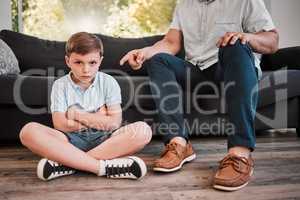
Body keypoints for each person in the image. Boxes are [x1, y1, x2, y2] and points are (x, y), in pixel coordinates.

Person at [120, 0, 279, 191]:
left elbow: (272, 41)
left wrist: (247, 37)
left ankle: (240, 153)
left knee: (235, 44)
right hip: (197, 70)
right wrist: (145, 52)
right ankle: (178, 143)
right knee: (159, 60)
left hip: (231, 66)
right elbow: (171, 43)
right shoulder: (184, 5)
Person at [19, 32, 152, 181]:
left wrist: (77, 114)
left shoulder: (109, 82)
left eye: (92, 63)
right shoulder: (60, 85)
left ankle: (68, 163)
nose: (86, 70)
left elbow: (114, 123)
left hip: (106, 140)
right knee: (28, 131)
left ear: (100, 61)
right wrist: (100, 118)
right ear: (68, 61)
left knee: (143, 130)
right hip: (69, 141)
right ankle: (102, 167)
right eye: (78, 62)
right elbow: (60, 124)